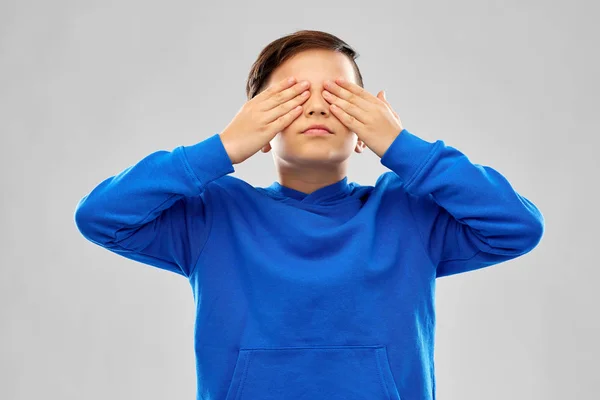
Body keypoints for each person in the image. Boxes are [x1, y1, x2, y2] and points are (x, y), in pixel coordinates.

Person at [74, 29, 544, 400]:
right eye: (293, 95)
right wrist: (221, 149)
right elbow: (100, 216)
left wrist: (402, 147)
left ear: (365, 129)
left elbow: (518, 226)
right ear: (259, 123)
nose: (318, 105)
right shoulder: (214, 216)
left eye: (340, 96)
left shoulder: (409, 212)